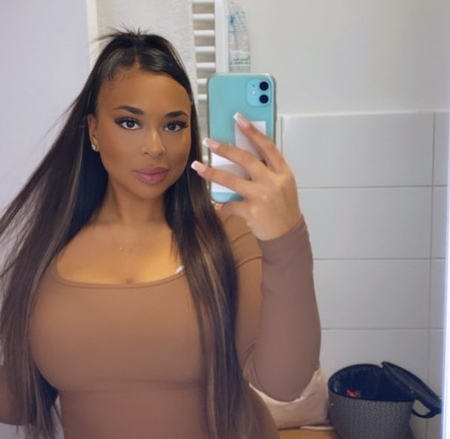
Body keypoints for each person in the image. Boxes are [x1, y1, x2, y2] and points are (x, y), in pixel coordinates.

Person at [0, 30, 320, 439]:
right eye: (129, 122)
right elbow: (22, 402)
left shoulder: (226, 234)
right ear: (94, 131)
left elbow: (284, 383)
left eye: (174, 125)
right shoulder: (48, 248)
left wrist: (286, 238)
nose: (155, 147)